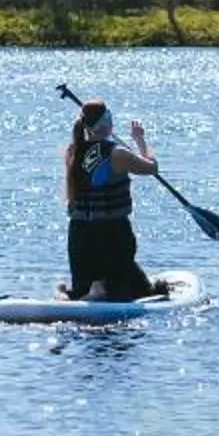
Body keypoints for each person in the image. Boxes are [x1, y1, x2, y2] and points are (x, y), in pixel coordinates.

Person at [61, 99, 159, 302]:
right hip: (112, 233)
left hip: (79, 235)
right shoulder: (118, 153)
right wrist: (140, 140)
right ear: (107, 124)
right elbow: (152, 167)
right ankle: (103, 292)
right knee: (126, 291)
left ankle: (84, 292)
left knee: (82, 289)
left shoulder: (72, 152)